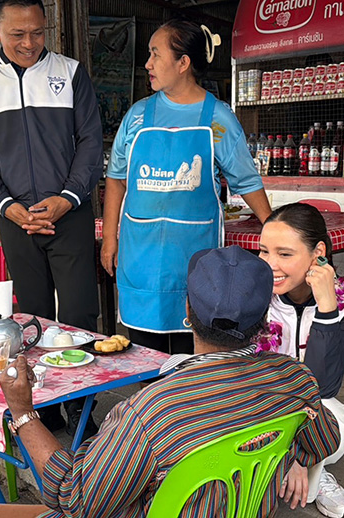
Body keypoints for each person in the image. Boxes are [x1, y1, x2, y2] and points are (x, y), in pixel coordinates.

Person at [0, 245, 341, 517]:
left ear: (187, 310)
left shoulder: (151, 411)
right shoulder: (296, 379)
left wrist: (23, 412)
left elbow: (75, 498)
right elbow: (324, 440)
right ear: (263, 319)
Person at [0, 0, 104, 436]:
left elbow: (91, 140)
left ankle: (82, 406)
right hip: (15, 217)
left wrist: (67, 197)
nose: (29, 43)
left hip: (70, 213)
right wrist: (6, 205)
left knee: (80, 315)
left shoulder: (72, 73)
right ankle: (42, 404)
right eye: (17, 34)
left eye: (38, 33)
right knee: (34, 319)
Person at [101, 19, 272, 355]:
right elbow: (116, 178)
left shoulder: (217, 118)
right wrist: (109, 238)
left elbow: (246, 180)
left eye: (155, 54)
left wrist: (274, 228)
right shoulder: (137, 116)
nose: (147, 64)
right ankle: (150, 407)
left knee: (192, 353)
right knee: (142, 355)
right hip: (140, 256)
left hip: (195, 258)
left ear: (183, 63)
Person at [258, 202, 344, 518]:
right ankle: (303, 472)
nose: (270, 265)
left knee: (335, 420)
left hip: (310, 406)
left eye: (285, 254)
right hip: (257, 402)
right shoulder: (256, 291)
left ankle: (309, 470)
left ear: (318, 252)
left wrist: (327, 309)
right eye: (264, 251)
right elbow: (248, 373)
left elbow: (323, 385)